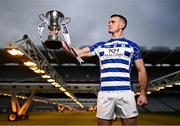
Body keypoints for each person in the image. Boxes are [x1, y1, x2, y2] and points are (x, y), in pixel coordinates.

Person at [61, 14, 148, 126]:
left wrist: (143, 93)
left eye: (113, 21)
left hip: (126, 92)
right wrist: (58, 39)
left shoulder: (132, 46)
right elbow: (78, 53)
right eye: (109, 22)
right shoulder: (101, 46)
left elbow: (141, 69)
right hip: (105, 94)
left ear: (122, 25)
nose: (109, 23)